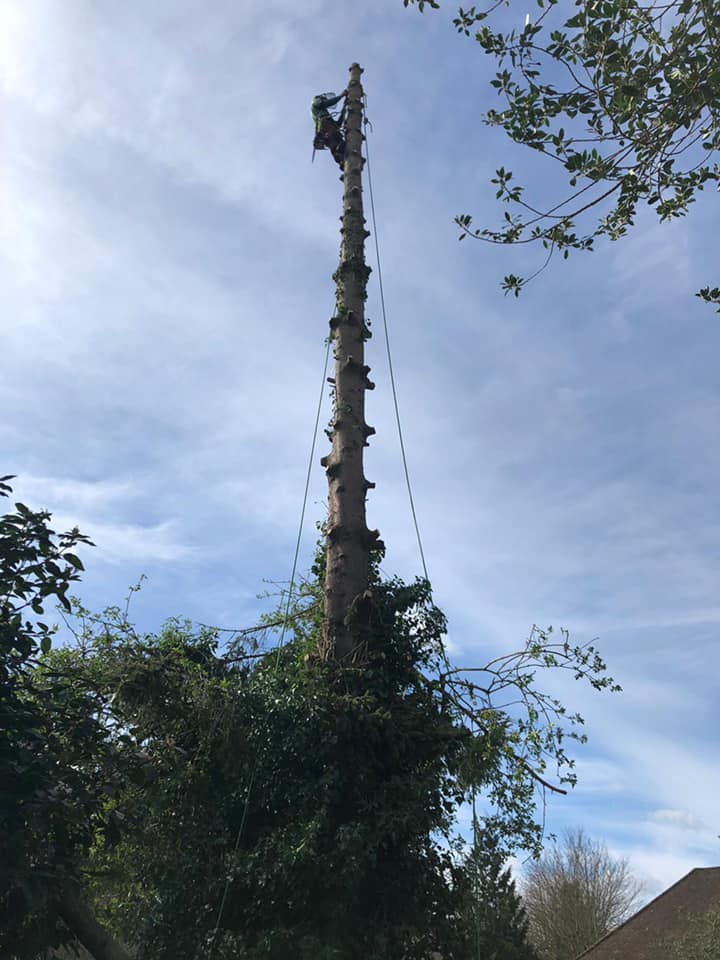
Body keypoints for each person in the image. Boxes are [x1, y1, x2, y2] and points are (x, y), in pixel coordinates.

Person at [311, 89, 348, 167]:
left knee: (339, 146)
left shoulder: (326, 116)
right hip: (325, 126)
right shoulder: (315, 102)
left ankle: (343, 162)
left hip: (327, 130)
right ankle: (342, 159)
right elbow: (327, 103)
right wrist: (341, 96)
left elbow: (338, 124)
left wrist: (345, 105)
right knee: (335, 142)